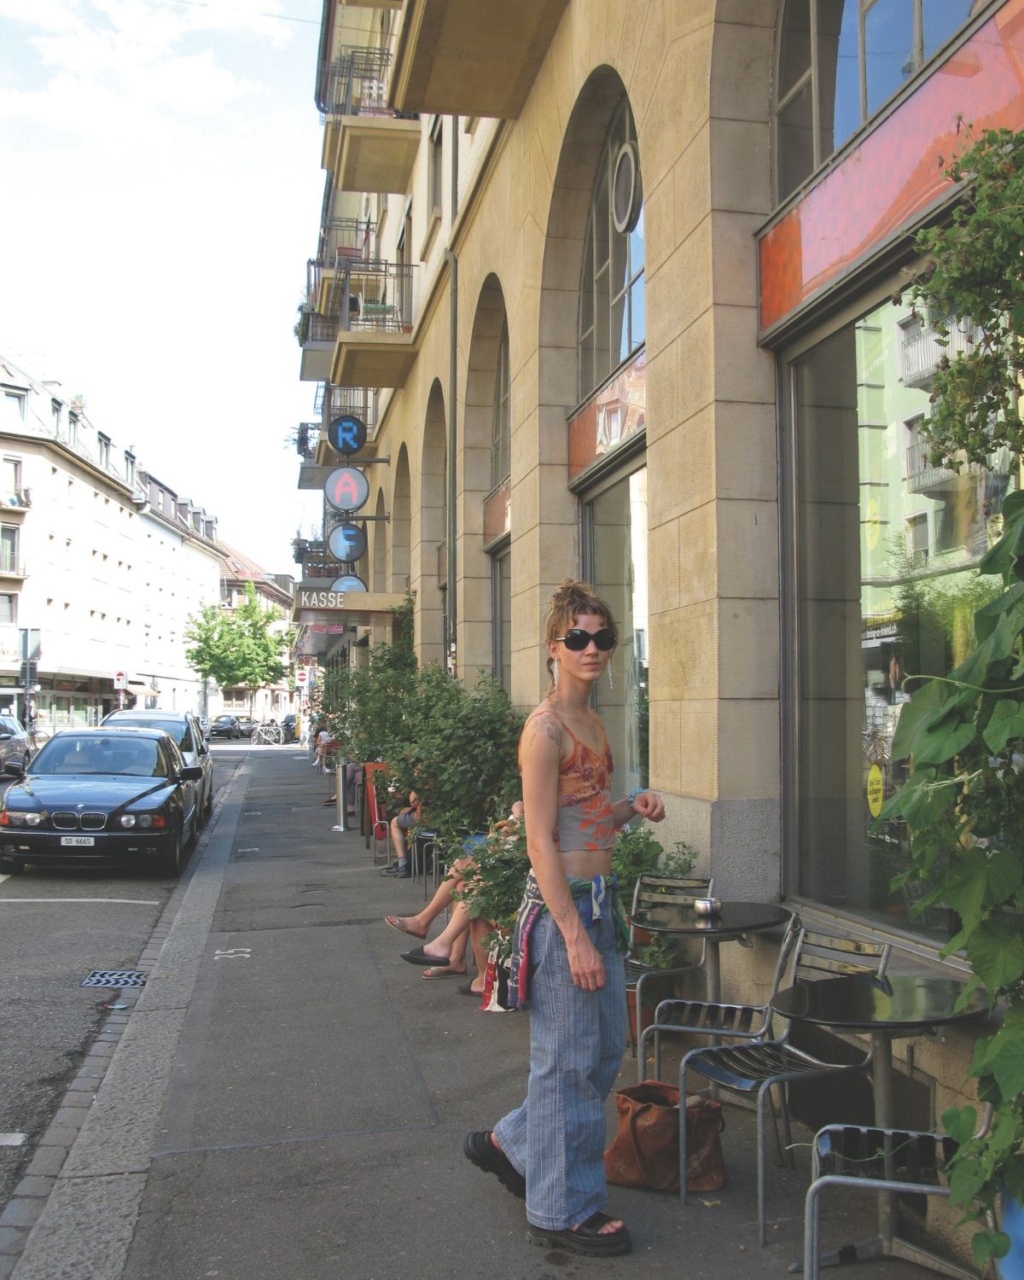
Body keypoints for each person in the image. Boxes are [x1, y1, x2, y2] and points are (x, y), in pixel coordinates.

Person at [463, 579, 665, 1257]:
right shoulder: (544, 730)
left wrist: (629, 809)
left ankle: (513, 1142)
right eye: (577, 637)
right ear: (554, 647)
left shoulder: (594, 724)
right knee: (565, 1067)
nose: (592, 648)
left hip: (599, 905)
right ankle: (561, 1210)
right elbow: (541, 842)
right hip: (566, 916)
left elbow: (586, 821)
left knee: (604, 1053)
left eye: (601, 637)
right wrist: (573, 937)